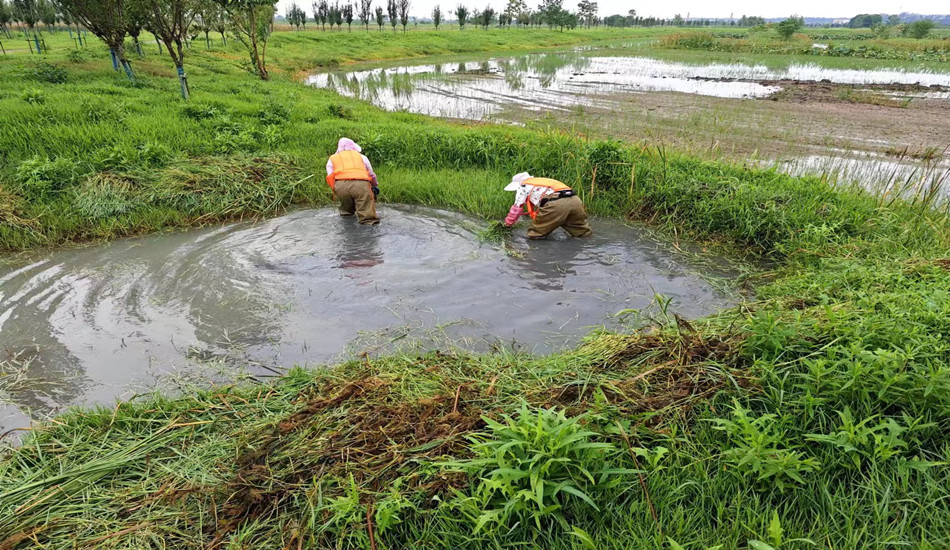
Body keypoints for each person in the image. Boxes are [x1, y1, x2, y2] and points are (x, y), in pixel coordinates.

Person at [503, 172, 592, 239]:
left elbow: (516, 208)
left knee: (535, 235)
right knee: (582, 233)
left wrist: (507, 225)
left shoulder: (523, 186)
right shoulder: (541, 181)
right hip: (575, 200)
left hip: (556, 203)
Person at [326, 137, 380, 225]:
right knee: (367, 216)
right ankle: (368, 231)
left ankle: (347, 230)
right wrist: (375, 185)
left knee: (346, 213)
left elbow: (330, 176)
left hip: (340, 186)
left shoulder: (332, 159)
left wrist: (337, 190)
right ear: (353, 147)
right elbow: (371, 174)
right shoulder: (362, 157)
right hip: (361, 184)